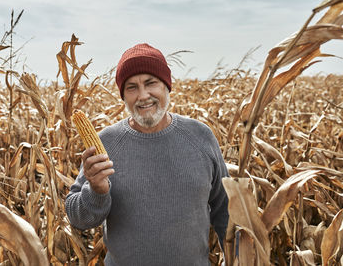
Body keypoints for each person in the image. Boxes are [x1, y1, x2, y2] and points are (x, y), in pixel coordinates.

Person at [65, 43, 230, 266]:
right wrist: (96, 190)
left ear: (166, 87)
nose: (143, 96)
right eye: (132, 87)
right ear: (123, 96)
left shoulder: (200, 137)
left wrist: (241, 256)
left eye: (150, 83)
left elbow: (226, 212)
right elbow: (78, 218)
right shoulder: (106, 143)